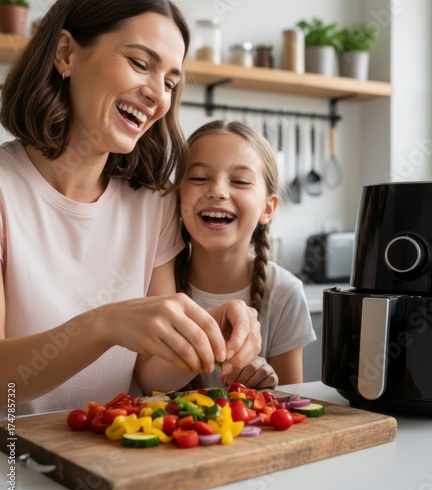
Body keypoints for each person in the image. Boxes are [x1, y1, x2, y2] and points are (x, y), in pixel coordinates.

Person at [0, 0, 262, 418]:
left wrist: (204, 334)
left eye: (171, 83)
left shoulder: (152, 203)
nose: (158, 96)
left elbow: (153, 374)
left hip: (111, 457)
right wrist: (105, 325)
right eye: (141, 63)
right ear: (66, 54)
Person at [175, 120, 316, 390]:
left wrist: (268, 385)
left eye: (239, 181)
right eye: (199, 178)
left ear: (268, 208)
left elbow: (292, 403)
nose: (217, 191)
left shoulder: (285, 293)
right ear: (177, 195)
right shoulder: (154, 279)